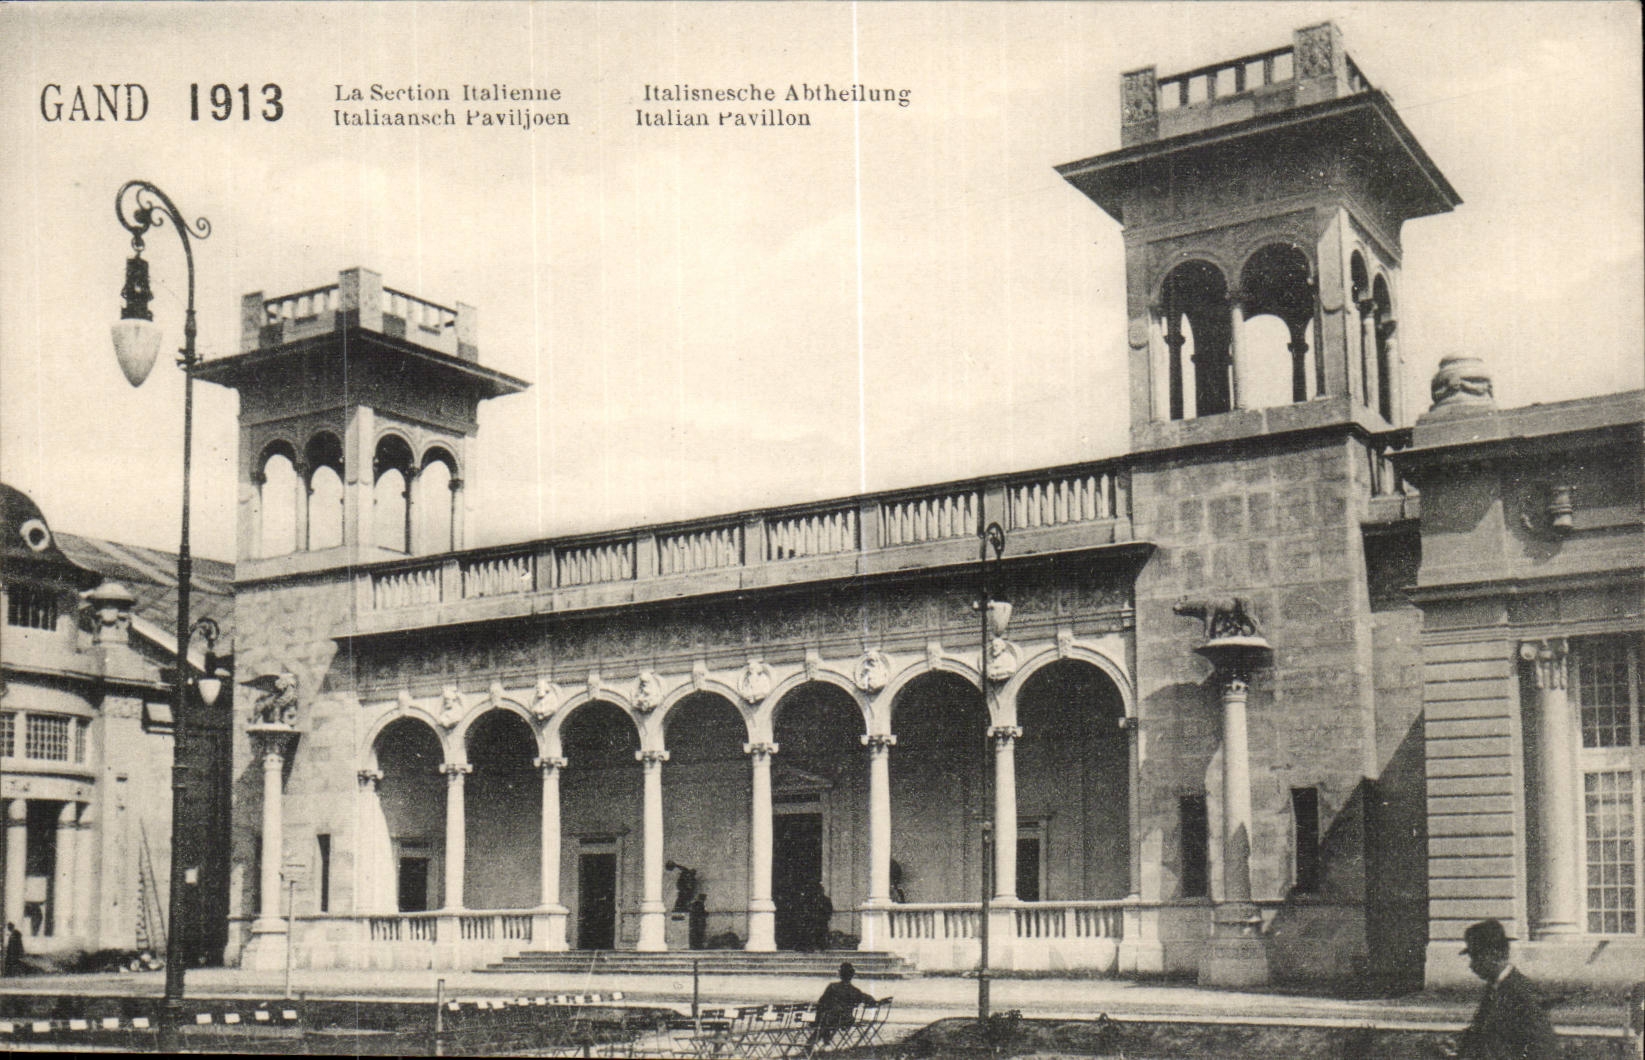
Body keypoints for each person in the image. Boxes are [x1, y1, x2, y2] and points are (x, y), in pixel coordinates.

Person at [1447, 919, 1561, 1060]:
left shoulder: (1521, 991)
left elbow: (1542, 1047)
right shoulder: (1496, 987)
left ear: (1495, 954)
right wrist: (1459, 1041)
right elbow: (1489, 1031)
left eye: (1476, 957)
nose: (1471, 965)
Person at [810, 961, 881, 1048]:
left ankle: (813, 1044)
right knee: (826, 1020)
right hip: (847, 1019)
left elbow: (821, 1002)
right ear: (852, 975)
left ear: (840, 974)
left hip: (831, 1019)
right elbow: (869, 1000)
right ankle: (823, 1038)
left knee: (823, 1020)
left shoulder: (832, 987)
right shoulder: (855, 991)